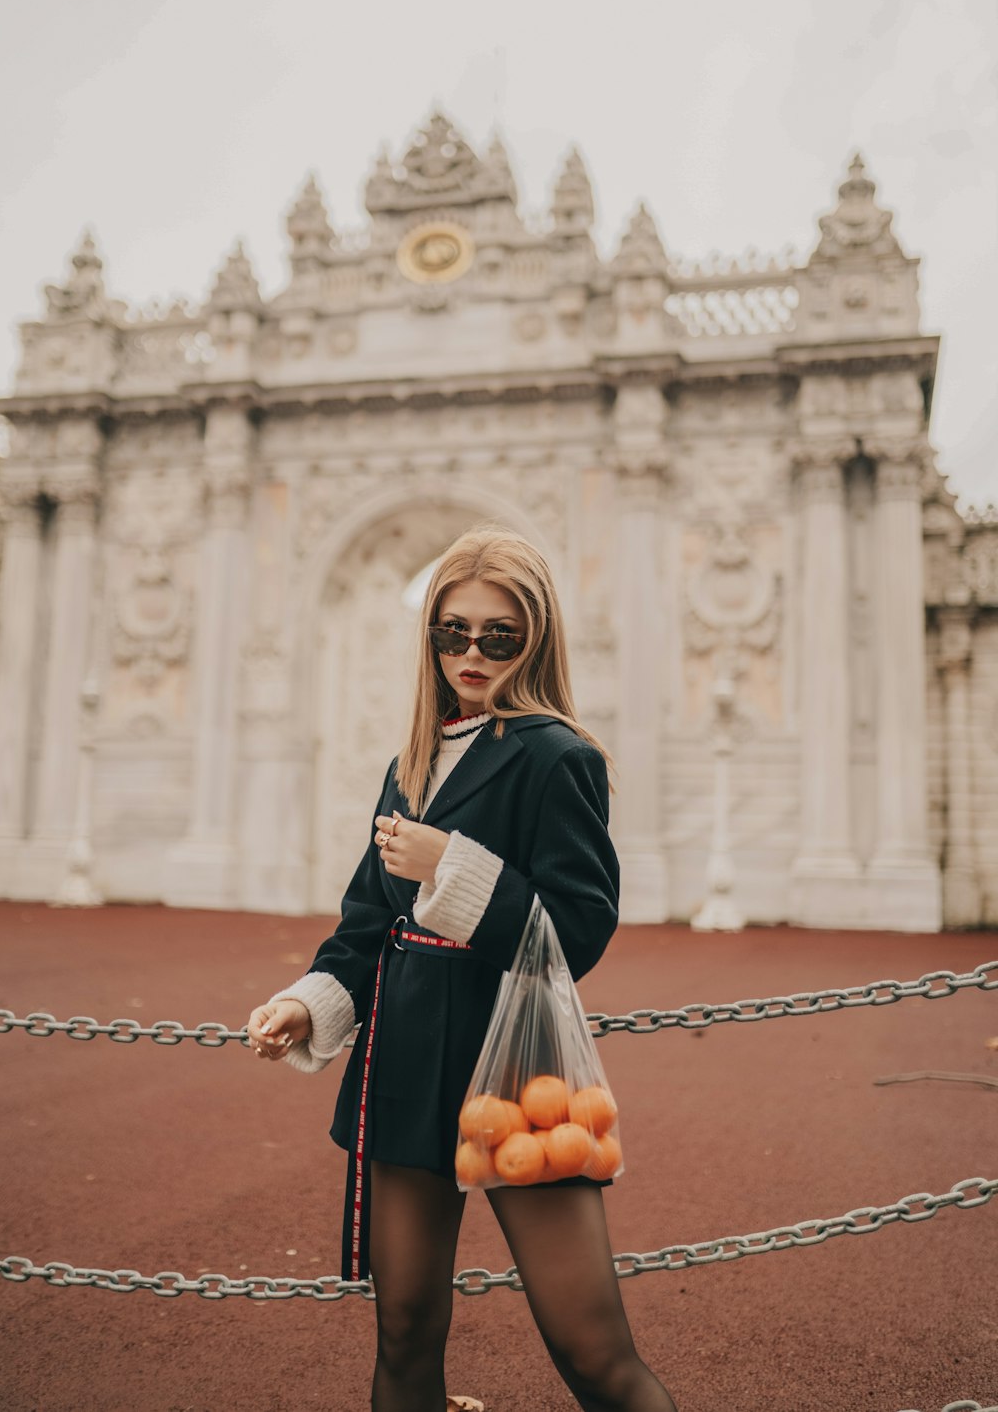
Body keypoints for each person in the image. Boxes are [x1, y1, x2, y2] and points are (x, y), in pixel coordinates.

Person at [246, 525, 679, 1412]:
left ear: (537, 637)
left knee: (593, 1350)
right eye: (453, 631)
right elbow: (367, 920)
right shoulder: (407, 763)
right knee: (403, 1334)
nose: (472, 652)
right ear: (431, 636)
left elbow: (580, 932)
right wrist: (310, 999)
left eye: (498, 634)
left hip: (517, 1069)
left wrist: (453, 862)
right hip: (403, 1062)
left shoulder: (562, 756)